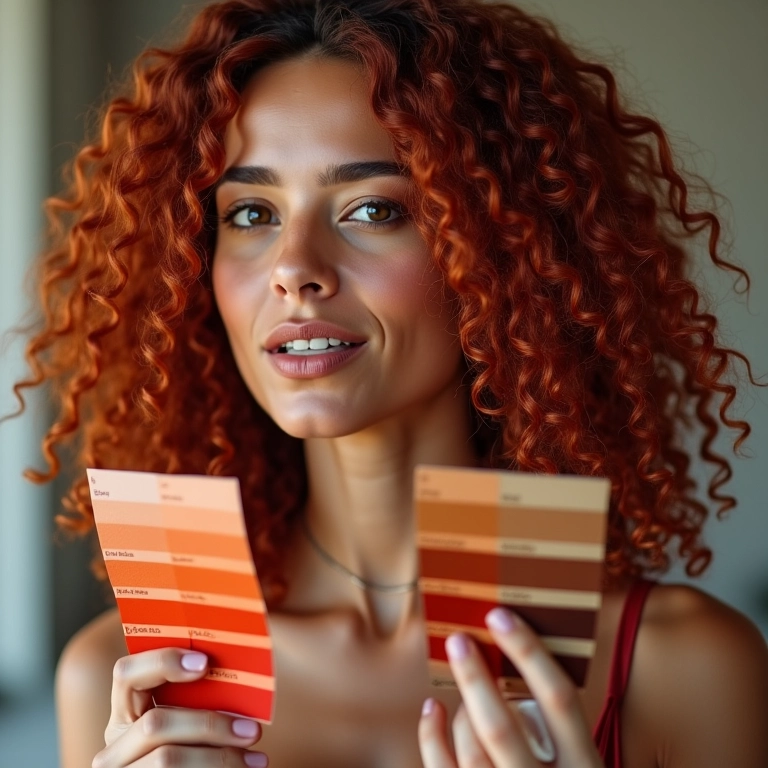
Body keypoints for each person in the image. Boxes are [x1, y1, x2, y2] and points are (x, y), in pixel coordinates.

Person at [10, 0, 768, 765]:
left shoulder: (682, 668)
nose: (295, 269)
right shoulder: (128, 678)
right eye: (250, 213)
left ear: (501, 252)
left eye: (373, 208)